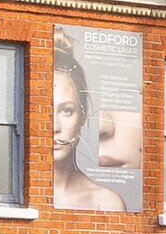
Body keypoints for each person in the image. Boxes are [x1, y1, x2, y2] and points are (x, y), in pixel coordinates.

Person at [52, 36, 127, 211]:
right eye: (46, 109)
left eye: (66, 110)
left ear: (83, 114)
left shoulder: (107, 203)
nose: (55, 127)